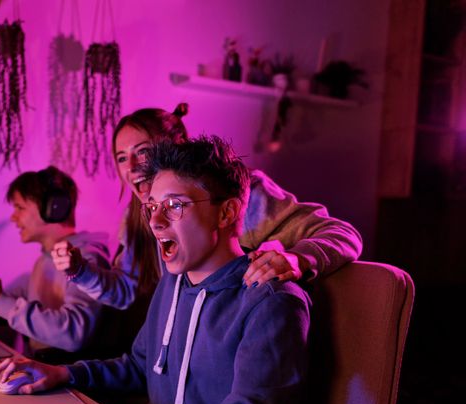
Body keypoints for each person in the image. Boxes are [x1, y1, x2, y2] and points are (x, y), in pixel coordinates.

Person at [0, 136, 313, 404]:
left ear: (226, 213)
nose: (155, 221)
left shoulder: (270, 303)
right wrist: (63, 373)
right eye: (152, 206)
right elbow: (140, 367)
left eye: (174, 205)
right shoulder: (173, 282)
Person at [51, 104, 362, 310]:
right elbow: (126, 291)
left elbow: (342, 234)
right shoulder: (139, 214)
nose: (131, 167)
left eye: (143, 152)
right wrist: (79, 270)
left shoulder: (238, 194)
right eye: (121, 158)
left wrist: (297, 259)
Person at [0, 166, 111, 357]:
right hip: (43, 366)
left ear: (54, 207)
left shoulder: (85, 260)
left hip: (68, 371)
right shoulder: (46, 260)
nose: (13, 217)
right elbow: (34, 307)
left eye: (20, 208)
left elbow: (74, 334)